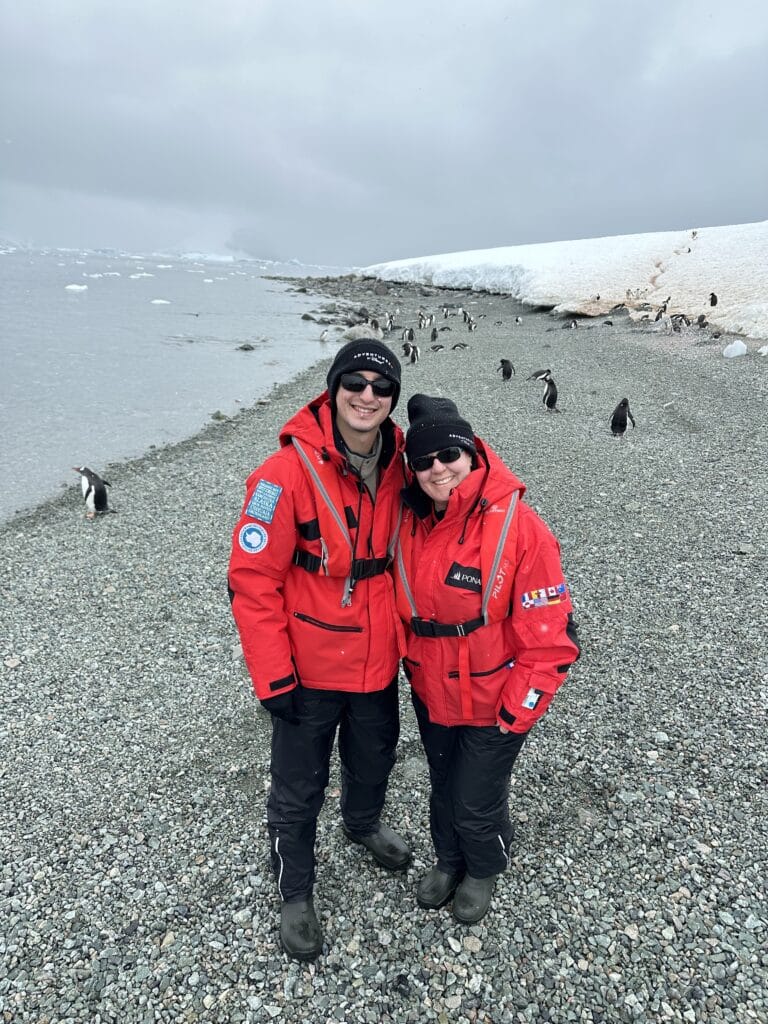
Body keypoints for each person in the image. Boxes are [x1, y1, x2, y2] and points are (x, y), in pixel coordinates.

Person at [228, 340, 412, 961]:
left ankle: (361, 826)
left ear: (392, 400)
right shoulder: (281, 475)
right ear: (332, 390)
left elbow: (467, 470)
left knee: (374, 760)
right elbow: (252, 580)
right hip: (307, 669)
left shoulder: (405, 464)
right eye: (354, 383)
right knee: (299, 785)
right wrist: (271, 675)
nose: (367, 395)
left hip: (377, 660)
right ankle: (295, 891)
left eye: (380, 387)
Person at [394, 394, 580, 924]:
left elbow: (550, 635)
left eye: (449, 456)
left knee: (476, 798)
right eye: (424, 461)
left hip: (496, 699)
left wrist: (518, 710)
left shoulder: (521, 527)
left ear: (473, 453)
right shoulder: (408, 521)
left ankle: (484, 866)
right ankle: (449, 860)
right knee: (443, 786)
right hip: (433, 693)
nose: (438, 470)